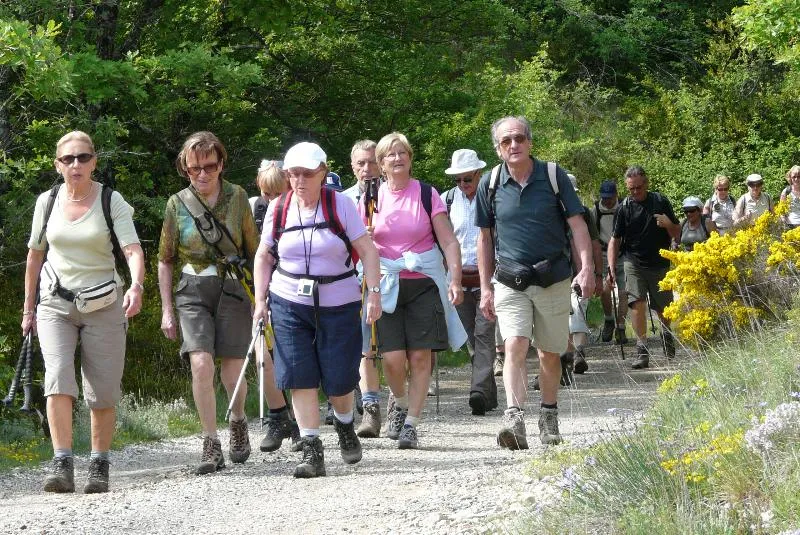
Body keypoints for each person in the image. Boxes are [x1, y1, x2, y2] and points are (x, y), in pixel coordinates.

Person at [23, 130, 145, 493]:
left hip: (104, 304)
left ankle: (98, 464)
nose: (76, 164)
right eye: (68, 159)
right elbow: (35, 255)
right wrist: (28, 309)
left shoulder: (110, 200)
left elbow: (132, 249)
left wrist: (136, 285)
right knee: (58, 377)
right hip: (55, 302)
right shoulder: (46, 202)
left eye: (83, 157)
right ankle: (62, 463)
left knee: (102, 388)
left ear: (94, 162)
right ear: (57, 165)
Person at [252, 141, 382, 478]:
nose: (299, 180)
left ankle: (344, 424)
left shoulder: (340, 205)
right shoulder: (279, 208)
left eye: (307, 174)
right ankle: (312, 449)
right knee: (299, 374)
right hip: (289, 301)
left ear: (323, 172)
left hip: (339, 301)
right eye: (293, 174)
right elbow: (264, 255)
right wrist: (260, 301)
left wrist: (374, 294)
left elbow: (367, 251)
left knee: (339, 379)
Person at [475, 116, 594, 449]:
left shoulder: (554, 176)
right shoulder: (490, 183)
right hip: (509, 280)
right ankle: (514, 419)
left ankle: (548, 415)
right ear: (498, 149)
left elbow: (578, 225)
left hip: (552, 278)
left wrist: (587, 268)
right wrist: (485, 288)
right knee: (514, 343)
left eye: (519, 138)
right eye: (506, 141)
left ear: (529, 142)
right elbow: (484, 238)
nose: (513, 145)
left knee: (549, 353)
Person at [158, 131, 259, 475]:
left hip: (233, 287)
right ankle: (210, 441)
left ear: (221, 165)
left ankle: (238, 419)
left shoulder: (238, 196)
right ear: (184, 169)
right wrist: (167, 310)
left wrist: (260, 297)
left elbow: (254, 250)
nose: (202, 174)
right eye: (194, 169)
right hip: (192, 289)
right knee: (201, 363)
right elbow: (165, 259)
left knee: (232, 369)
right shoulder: (177, 203)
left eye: (210, 167)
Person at [365, 132, 466, 450]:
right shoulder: (370, 199)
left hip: (423, 283)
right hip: (386, 284)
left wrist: (454, 279)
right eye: (390, 155)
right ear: (381, 164)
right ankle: (400, 401)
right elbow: (356, 247)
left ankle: (411, 424)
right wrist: (364, 236)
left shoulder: (426, 193)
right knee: (392, 360)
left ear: (410, 158)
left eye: (403, 153)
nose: (397, 158)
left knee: (421, 356)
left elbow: (449, 241)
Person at [245, 159, 302, 453]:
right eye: (266, 193)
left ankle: (301, 422)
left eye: (277, 193)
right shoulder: (252, 207)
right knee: (262, 355)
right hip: (258, 289)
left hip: (292, 290)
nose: (271, 200)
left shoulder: (300, 209)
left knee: (292, 356)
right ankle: (278, 416)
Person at [442, 149, 498, 416]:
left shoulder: (492, 197)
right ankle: (488, 395)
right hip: (458, 280)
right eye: (458, 179)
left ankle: (477, 392)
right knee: (472, 341)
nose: (462, 184)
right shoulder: (446, 200)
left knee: (484, 335)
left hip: (489, 279)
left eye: (467, 178)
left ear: (478, 174)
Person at [607, 165, 680, 370]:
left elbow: (677, 233)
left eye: (639, 187)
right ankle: (642, 349)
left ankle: (666, 334)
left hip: (659, 262)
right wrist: (611, 268)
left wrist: (668, 224)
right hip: (633, 262)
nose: (635, 192)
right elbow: (615, 240)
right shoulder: (623, 208)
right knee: (636, 303)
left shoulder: (660, 201)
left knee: (664, 308)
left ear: (646, 184)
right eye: (631, 189)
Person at [341, 140, 384, 438]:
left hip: (391, 277)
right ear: (352, 167)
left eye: (372, 162)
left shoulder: (393, 194)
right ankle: (371, 409)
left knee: (393, 350)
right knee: (364, 345)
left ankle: (398, 405)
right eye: (361, 163)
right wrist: (355, 238)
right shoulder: (342, 201)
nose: (367, 169)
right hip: (354, 280)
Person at [564, 174, 603, 375]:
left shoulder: (585, 213)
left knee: (577, 310)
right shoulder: (549, 212)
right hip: (558, 272)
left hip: (580, 271)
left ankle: (577, 353)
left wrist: (597, 274)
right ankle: (568, 356)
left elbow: (595, 245)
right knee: (564, 314)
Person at [590, 180, 628, 344]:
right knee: (605, 290)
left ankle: (621, 328)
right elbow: (591, 234)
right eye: (604, 198)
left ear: (616, 195)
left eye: (610, 198)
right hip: (604, 254)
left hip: (623, 254)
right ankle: (609, 320)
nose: (607, 201)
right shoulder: (596, 210)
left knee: (625, 291)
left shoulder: (625, 206)